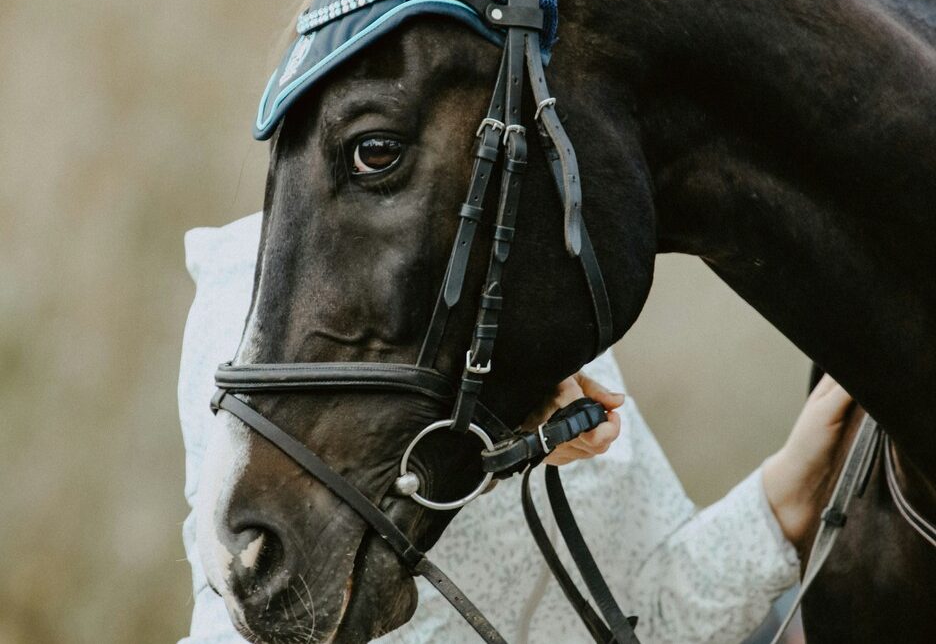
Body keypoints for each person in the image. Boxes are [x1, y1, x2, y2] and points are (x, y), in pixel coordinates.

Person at [178, 213, 860, 644]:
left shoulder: (543, 303)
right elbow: (268, 593)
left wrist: (785, 493)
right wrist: (482, 439)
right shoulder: (262, 271)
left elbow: (643, 617)